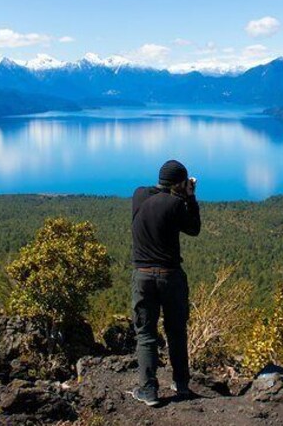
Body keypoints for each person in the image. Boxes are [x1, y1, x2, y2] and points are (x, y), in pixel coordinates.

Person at [129, 159, 201, 407]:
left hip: (143, 277)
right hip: (170, 276)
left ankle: (148, 391)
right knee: (176, 332)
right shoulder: (176, 205)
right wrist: (190, 197)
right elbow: (194, 229)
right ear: (180, 183)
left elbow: (155, 192)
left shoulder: (139, 195)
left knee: (146, 334)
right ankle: (181, 384)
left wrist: (176, 188)